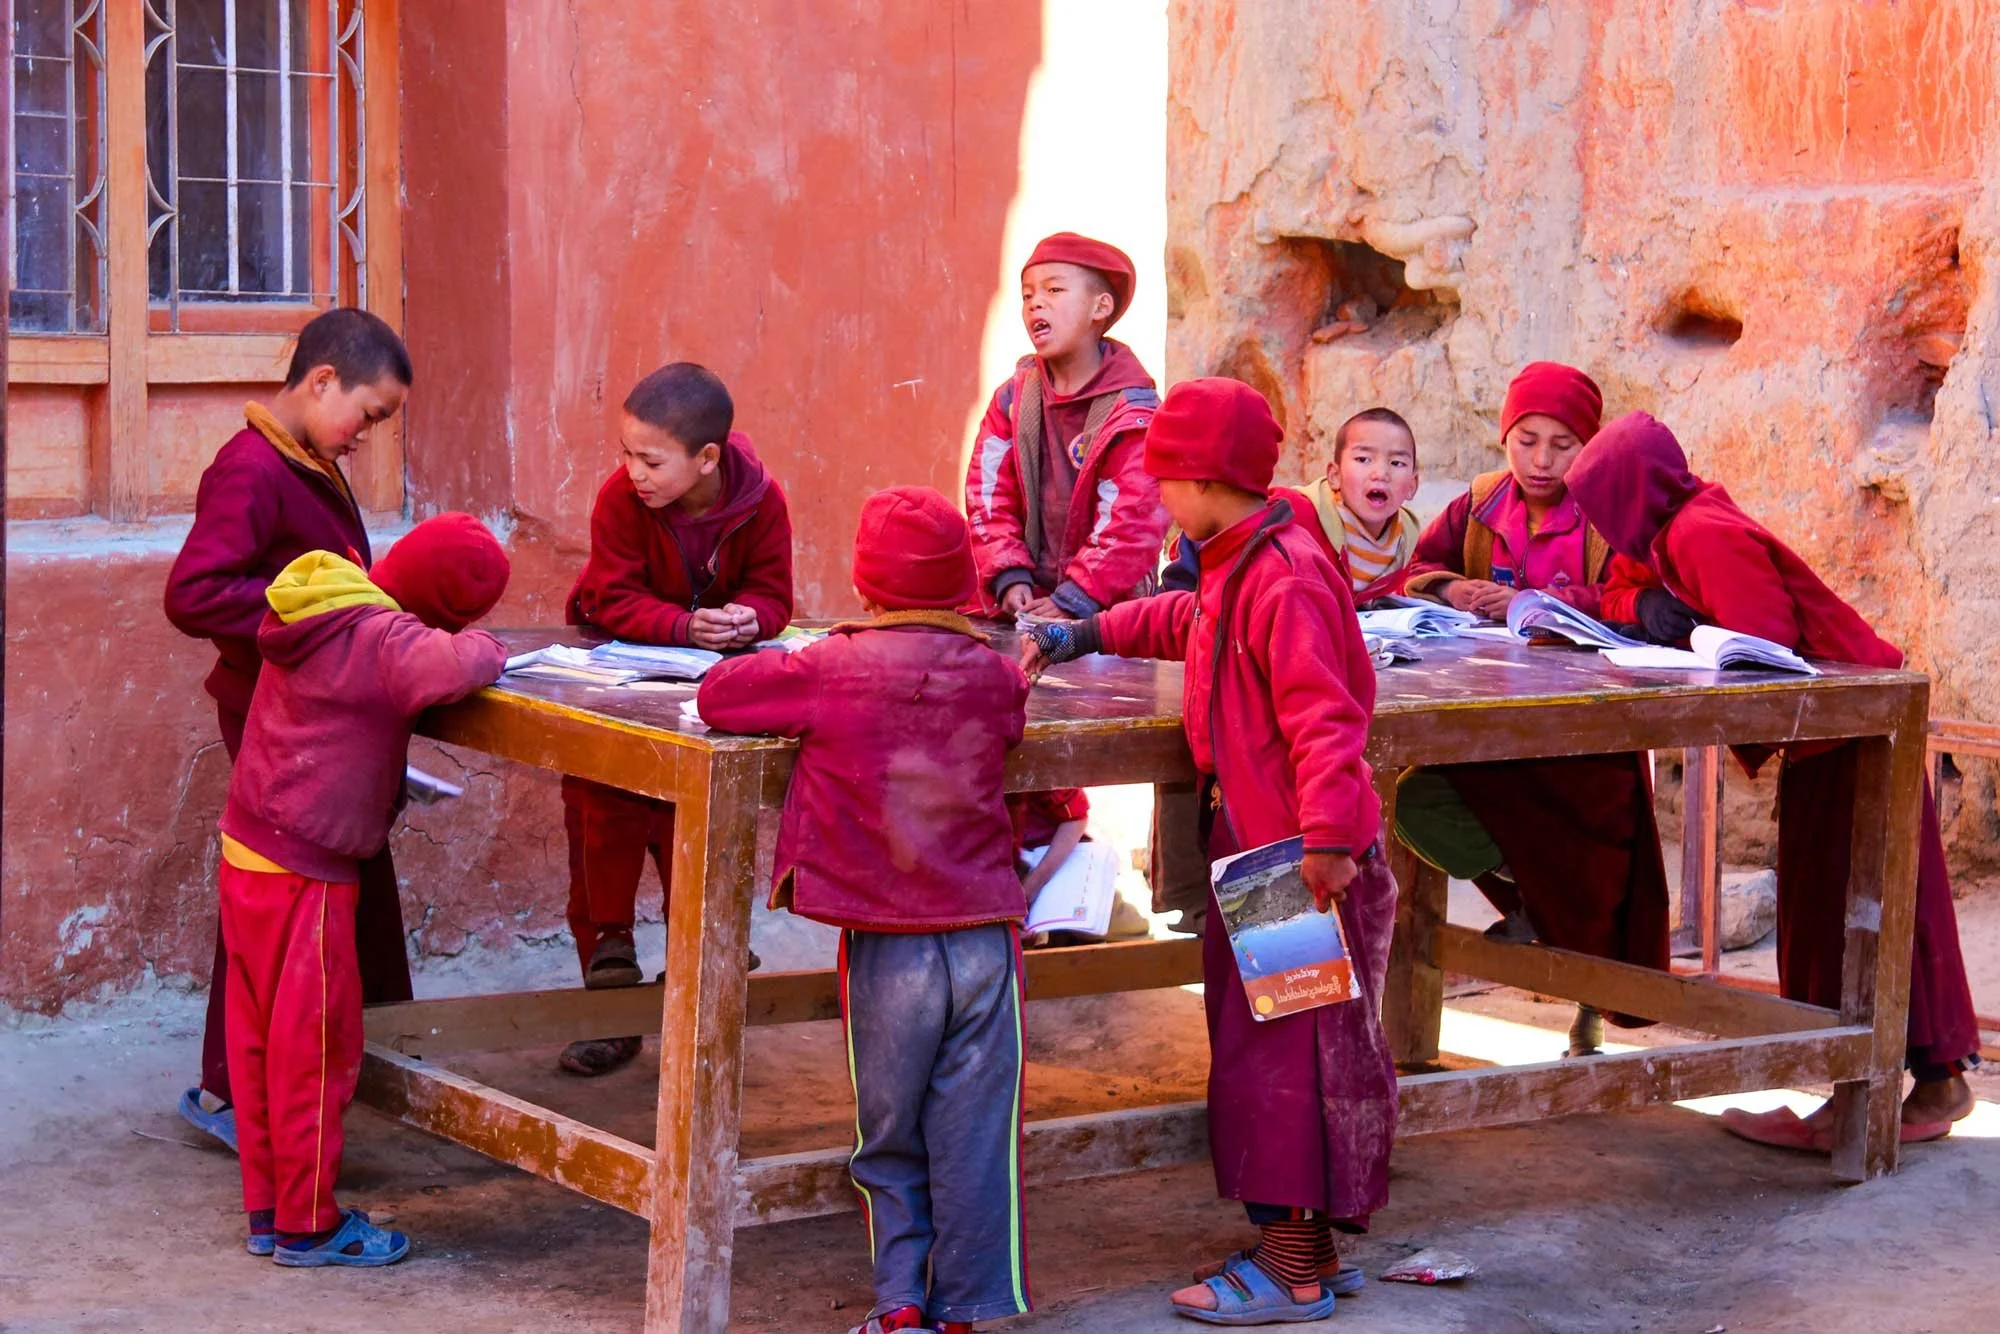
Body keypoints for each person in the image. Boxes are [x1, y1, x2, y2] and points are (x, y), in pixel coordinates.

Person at [1024, 378, 1396, 1326]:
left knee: (1288, 1060)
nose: (1156, 502)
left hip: (1295, 869)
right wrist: (1082, 633)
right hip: (1267, 856)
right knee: (1267, 1047)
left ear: (1200, 480)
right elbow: (1185, 621)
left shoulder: (1283, 576)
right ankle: (1295, 1247)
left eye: (1162, 485)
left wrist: (1323, 846)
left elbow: (1326, 721)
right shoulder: (1239, 557)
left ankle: (1294, 1270)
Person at [1571, 412, 1981, 1146]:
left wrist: (1683, 636)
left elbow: (1762, 645)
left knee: (1849, 911)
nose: (1602, 527)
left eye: (1603, 507)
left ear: (1631, 496)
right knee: (1857, 904)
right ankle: (1917, 1086)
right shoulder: (1668, 531)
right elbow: (1614, 591)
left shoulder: (1700, 534)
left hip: (1852, 726)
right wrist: (1644, 607)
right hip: (1836, 729)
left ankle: (1878, 1097)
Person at [697, 487, 1032, 1334]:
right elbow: (1013, 710)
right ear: (962, 585)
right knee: (975, 1134)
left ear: (865, 584)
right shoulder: (993, 674)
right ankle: (966, 1310)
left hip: (890, 947)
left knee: (889, 1133)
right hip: (987, 937)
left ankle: (900, 1305)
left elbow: (721, 698)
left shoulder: (826, 665)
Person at [218, 513, 510, 1264]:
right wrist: (488, 645)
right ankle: (310, 1226)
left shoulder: (325, 597)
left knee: (256, 1037)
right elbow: (451, 667)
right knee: (313, 1047)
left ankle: (268, 1211)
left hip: (248, 846)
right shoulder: (386, 640)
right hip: (306, 875)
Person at [164, 307, 417, 1150]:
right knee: (281, 899)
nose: (367, 437)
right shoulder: (250, 469)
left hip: (322, 721)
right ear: (320, 383)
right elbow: (194, 594)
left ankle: (347, 1072)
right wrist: (308, 614)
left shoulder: (308, 458)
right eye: (368, 416)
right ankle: (239, 1094)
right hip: (272, 718)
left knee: (314, 895)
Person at [1391, 362, 1671, 1056]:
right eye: (1526, 440)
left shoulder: (1606, 512)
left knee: (1601, 872)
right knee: (1417, 801)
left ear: (1591, 444)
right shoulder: (1480, 504)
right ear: (1503, 436)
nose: (1541, 461)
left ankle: (1588, 1008)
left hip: (1589, 729)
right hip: (1490, 724)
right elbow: (1417, 571)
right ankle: (1531, 898)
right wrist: (1455, 589)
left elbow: (1639, 602)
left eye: (1562, 444)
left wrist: (1543, 605)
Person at [558, 362, 794, 1077]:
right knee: (600, 811)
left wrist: (750, 619)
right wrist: (685, 626)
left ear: (707, 460)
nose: (634, 472)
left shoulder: (762, 504)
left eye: (651, 460)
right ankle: (610, 978)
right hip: (621, 680)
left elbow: (775, 595)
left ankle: (702, 977)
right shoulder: (620, 501)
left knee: (692, 823)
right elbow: (609, 596)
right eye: (627, 453)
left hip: (709, 692)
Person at [963, 232, 1164, 620]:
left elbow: (1133, 519)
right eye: (1027, 295)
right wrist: (1008, 574)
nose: (1036, 301)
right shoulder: (1013, 399)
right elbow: (987, 492)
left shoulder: (1134, 412)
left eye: (1054, 289)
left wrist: (1077, 597)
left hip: (1108, 614)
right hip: (1026, 605)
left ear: (1100, 307)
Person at [1273, 407, 1424, 601]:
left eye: (1396, 463)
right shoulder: (1295, 512)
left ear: (1412, 485)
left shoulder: (1403, 545)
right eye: (1363, 459)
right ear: (1335, 476)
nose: (1380, 474)